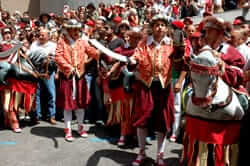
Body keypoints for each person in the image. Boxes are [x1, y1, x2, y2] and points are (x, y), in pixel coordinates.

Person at [129, 14, 174, 166]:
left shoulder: (172, 44)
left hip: (164, 87)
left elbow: (181, 61)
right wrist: (133, 60)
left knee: (163, 121)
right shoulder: (144, 43)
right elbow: (137, 55)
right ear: (152, 28)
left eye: (162, 25)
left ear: (166, 28)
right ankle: (141, 153)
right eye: (157, 25)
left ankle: (160, 155)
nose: (160, 27)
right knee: (142, 119)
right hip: (145, 85)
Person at [55, 19, 99, 142]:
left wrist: (101, 53)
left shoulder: (82, 41)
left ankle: (80, 127)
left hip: (80, 76)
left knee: (81, 104)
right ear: (68, 30)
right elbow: (57, 56)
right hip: (68, 77)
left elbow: (92, 51)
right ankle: (68, 129)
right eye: (73, 29)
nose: (76, 32)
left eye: (77, 29)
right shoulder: (62, 41)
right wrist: (68, 67)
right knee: (68, 105)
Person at [29, 27, 57, 125]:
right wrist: (43, 54)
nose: (40, 37)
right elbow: (30, 56)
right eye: (39, 35)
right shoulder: (34, 44)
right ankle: (37, 116)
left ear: (48, 36)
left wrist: (41, 55)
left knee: (51, 93)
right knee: (36, 94)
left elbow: (54, 59)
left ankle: (52, 116)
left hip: (48, 72)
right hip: (36, 71)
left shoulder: (53, 45)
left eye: (43, 35)